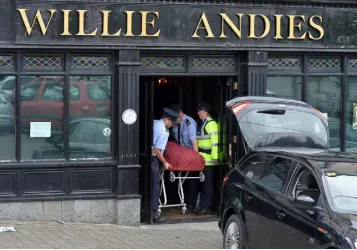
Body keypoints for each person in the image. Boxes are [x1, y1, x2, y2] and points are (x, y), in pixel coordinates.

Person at [169, 104, 199, 213]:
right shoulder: (176, 123)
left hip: (190, 156)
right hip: (180, 157)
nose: (173, 120)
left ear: (180, 114)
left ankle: (191, 204)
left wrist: (196, 159)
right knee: (181, 181)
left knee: (191, 182)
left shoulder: (189, 123)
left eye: (175, 117)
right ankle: (182, 201)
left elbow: (194, 141)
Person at [152, 107, 180, 223]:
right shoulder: (164, 131)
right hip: (153, 159)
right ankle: (154, 214)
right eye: (172, 123)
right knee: (155, 187)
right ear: (167, 120)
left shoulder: (154, 122)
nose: (172, 125)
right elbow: (157, 150)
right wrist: (164, 163)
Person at [195, 102, 219, 215]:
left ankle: (207, 207)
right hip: (203, 159)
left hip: (209, 160)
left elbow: (215, 142)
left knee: (207, 185)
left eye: (200, 111)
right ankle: (203, 206)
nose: (198, 113)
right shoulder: (203, 123)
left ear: (205, 112)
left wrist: (215, 157)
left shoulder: (211, 124)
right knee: (203, 184)